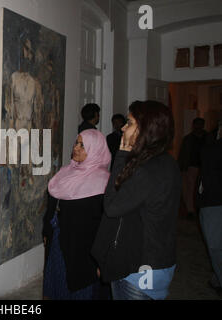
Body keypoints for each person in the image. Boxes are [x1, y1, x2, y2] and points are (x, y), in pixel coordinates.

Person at [91, 100, 181, 300]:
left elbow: (112, 207)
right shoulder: (166, 162)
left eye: (129, 122)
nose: (123, 127)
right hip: (158, 260)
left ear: (146, 129)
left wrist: (121, 157)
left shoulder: (147, 169)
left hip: (140, 266)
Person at [42, 129, 111, 300]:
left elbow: (105, 226)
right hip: (59, 241)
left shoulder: (104, 182)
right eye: (76, 143)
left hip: (83, 251)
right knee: (57, 282)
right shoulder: (66, 172)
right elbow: (53, 205)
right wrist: (47, 229)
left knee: (79, 289)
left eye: (83, 145)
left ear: (96, 150)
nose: (76, 148)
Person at [199, 120, 222, 296]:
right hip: (213, 202)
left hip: (214, 202)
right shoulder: (211, 150)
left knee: (216, 246)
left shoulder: (210, 150)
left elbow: (206, 182)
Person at [178, 117, 207, 219]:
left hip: (205, 167)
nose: (198, 127)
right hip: (191, 166)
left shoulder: (208, 138)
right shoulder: (188, 139)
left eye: (200, 124)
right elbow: (183, 153)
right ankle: (191, 210)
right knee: (190, 189)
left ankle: (200, 208)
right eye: (196, 124)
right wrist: (181, 167)